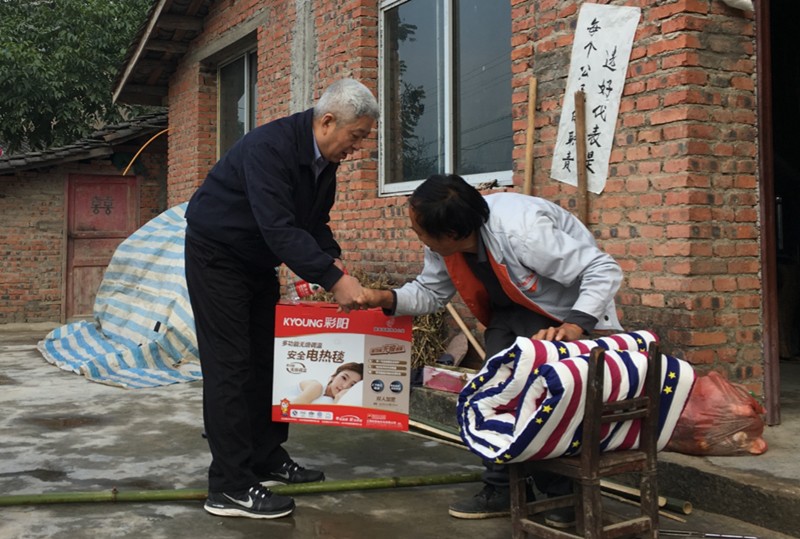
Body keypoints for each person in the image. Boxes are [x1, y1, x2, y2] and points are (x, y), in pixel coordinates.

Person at [356, 173, 623, 525]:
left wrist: (574, 326)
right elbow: (431, 293)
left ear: (452, 234)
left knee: (545, 402)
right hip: (506, 314)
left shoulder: (523, 232)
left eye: (420, 231)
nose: (416, 235)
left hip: (559, 317)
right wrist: (380, 297)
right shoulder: (445, 241)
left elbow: (602, 269)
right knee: (493, 395)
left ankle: (564, 493)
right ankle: (503, 488)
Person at [183, 78, 379, 519]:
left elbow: (314, 222)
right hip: (217, 256)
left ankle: (266, 457)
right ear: (327, 121)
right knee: (231, 367)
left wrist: (332, 259)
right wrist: (333, 279)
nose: (357, 148)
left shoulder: (324, 161)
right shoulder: (269, 149)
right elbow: (278, 226)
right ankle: (230, 485)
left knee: (268, 362)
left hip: (257, 261)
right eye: (356, 136)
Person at [289, 362, 364, 405]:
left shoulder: (339, 401)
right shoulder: (316, 386)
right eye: (344, 378)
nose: (345, 386)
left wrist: (337, 401)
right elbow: (292, 410)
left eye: (352, 385)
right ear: (334, 376)